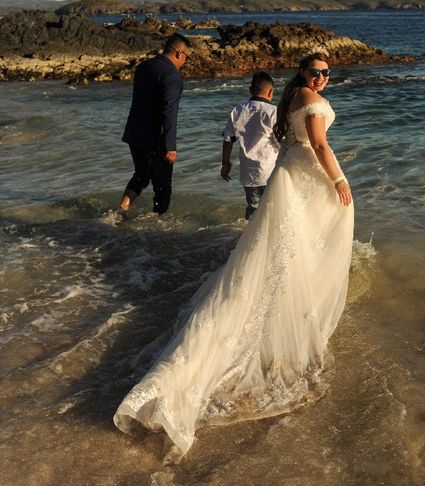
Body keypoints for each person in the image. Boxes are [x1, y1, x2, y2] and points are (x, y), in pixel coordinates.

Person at [113, 52, 354, 457]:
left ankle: (293, 301)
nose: (324, 78)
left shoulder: (293, 94)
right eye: (317, 72)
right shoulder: (308, 100)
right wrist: (340, 179)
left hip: (290, 176)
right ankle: (293, 311)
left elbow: (292, 141)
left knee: (281, 248)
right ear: (303, 73)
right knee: (297, 246)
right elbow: (319, 143)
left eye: (328, 72)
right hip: (304, 176)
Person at [116, 33, 191, 218]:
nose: (186, 61)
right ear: (179, 53)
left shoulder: (144, 67)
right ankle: (157, 227)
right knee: (163, 186)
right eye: (187, 57)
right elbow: (169, 111)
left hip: (135, 133)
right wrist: (171, 146)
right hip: (156, 138)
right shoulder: (172, 76)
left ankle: (122, 208)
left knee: (141, 174)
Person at [221, 72, 280, 220]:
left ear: (250, 90)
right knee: (273, 209)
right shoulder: (273, 112)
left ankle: (250, 238)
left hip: (248, 172)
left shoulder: (237, 110)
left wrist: (225, 163)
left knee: (253, 207)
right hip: (270, 170)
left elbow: (228, 139)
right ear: (271, 91)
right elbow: (282, 141)